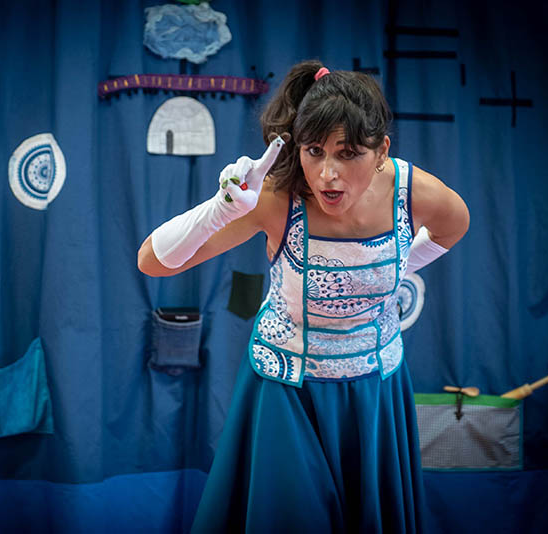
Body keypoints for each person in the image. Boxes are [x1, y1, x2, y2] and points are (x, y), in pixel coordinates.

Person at [138, 59, 469, 533]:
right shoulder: (277, 198)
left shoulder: (411, 191)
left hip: (374, 394)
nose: (328, 173)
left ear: (381, 151)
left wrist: (398, 267)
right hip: (288, 395)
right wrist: (219, 210)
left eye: (348, 153)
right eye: (315, 151)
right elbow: (152, 260)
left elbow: (455, 223)